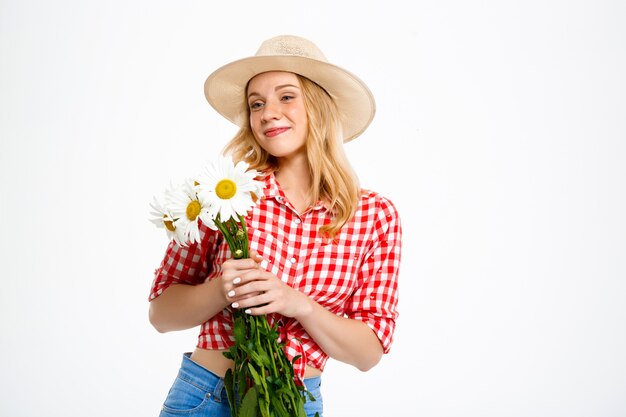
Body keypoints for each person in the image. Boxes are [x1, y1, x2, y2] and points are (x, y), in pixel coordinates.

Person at [148, 34, 402, 417]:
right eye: (256, 104)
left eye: (286, 96)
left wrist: (299, 305)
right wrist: (222, 289)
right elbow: (161, 315)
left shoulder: (374, 215)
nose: (267, 113)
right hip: (206, 396)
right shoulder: (224, 195)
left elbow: (368, 353)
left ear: (319, 107)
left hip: (297, 403)